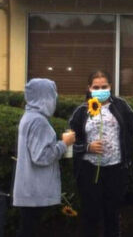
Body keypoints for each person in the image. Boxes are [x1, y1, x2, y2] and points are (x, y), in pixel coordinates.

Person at [69, 70, 133, 237]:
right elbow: (69, 142)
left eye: (104, 86)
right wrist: (87, 147)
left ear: (110, 86)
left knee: (112, 214)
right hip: (90, 170)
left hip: (116, 169)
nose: (100, 90)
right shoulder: (81, 111)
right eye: (96, 87)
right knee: (90, 214)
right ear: (89, 88)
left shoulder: (121, 106)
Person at [13, 78, 76, 237]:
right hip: (35, 191)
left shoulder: (29, 116)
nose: (55, 98)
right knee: (30, 230)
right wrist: (64, 143)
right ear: (44, 97)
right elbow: (41, 157)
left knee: (27, 228)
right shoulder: (38, 121)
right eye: (52, 95)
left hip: (28, 189)